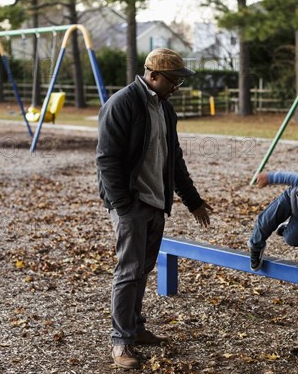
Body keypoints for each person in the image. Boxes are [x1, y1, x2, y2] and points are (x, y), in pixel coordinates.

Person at [96, 48, 213, 369]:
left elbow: (174, 160)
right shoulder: (122, 103)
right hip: (131, 204)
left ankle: (135, 327)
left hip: (155, 203)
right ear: (154, 75)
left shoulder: (165, 109)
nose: (177, 85)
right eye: (174, 79)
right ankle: (121, 342)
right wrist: (122, 205)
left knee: (142, 269)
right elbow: (106, 159)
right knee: (128, 271)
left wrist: (193, 201)